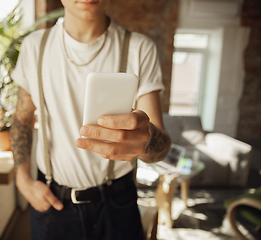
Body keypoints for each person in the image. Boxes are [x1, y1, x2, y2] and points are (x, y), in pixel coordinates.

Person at [10, 0, 171, 239]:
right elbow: (22, 119)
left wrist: (146, 140)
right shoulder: (35, 47)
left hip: (117, 205)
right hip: (54, 203)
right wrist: (22, 179)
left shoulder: (138, 48)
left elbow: (161, 149)